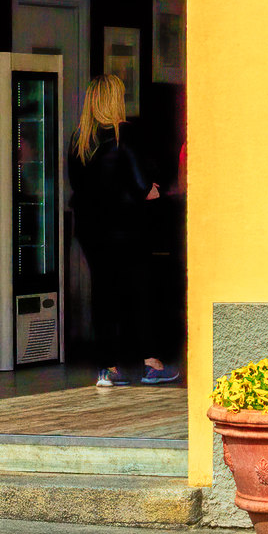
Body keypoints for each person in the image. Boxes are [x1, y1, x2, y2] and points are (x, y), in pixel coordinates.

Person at [68, 74, 180, 389]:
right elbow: (145, 186)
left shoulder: (79, 140)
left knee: (103, 296)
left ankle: (108, 368)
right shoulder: (123, 137)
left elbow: (80, 186)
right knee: (139, 294)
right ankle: (150, 363)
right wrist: (151, 189)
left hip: (92, 233)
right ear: (114, 100)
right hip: (128, 232)